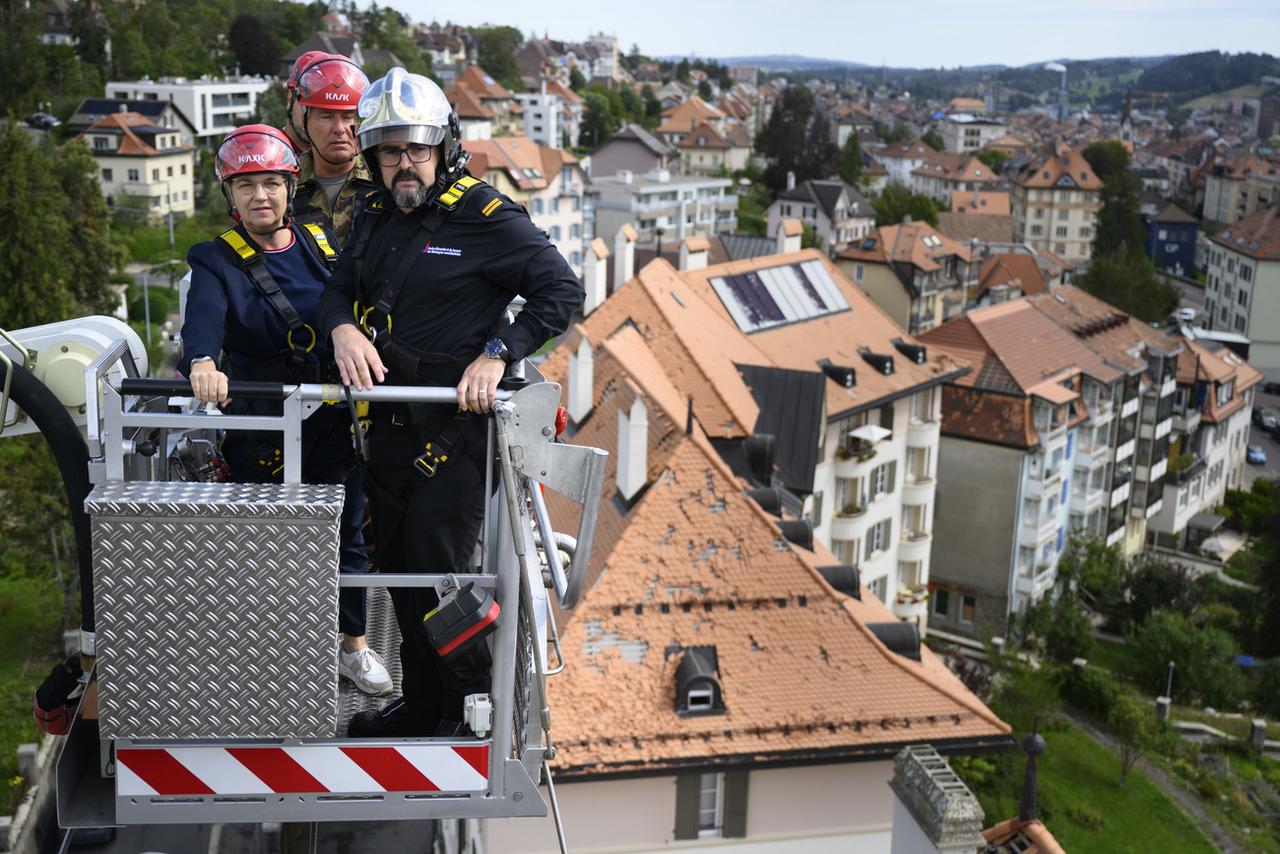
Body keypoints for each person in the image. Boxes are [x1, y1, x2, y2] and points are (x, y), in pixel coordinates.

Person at [317, 68, 583, 737]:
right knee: (401, 572)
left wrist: (499, 351)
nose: (404, 164)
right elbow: (333, 292)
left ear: (445, 147)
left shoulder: (487, 218)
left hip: (456, 432)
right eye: (389, 151)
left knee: (438, 574)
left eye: (417, 149)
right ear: (374, 158)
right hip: (391, 430)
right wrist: (343, 326)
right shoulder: (375, 217)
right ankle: (425, 705)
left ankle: (468, 712)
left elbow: (560, 291)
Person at [180, 124, 393, 697]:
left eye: (271, 183)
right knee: (267, 541)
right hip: (262, 427)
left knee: (346, 535)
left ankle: (352, 647)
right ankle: (269, 656)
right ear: (230, 194)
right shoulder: (215, 260)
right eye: (245, 185)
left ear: (289, 186)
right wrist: (202, 360)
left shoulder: (322, 244)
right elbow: (203, 316)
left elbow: (361, 298)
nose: (260, 197)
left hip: (330, 417)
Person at [286, 52, 379, 245]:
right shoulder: (284, 183)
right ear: (306, 121)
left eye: (348, 117)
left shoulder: (384, 178)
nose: (339, 129)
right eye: (326, 116)